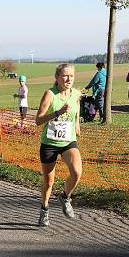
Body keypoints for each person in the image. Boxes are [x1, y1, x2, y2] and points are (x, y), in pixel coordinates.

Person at [35, 63, 82, 227]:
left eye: (71, 76)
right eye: (65, 75)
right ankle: (44, 209)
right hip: (49, 143)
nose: (68, 79)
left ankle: (65, 196)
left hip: (68, 141)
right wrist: (57, 113)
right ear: (57, 77)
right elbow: (38, 120)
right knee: (49, 182)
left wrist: (77, 126)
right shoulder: (50, 94)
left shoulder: (76, 94)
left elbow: (76, 112)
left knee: (76, 172)